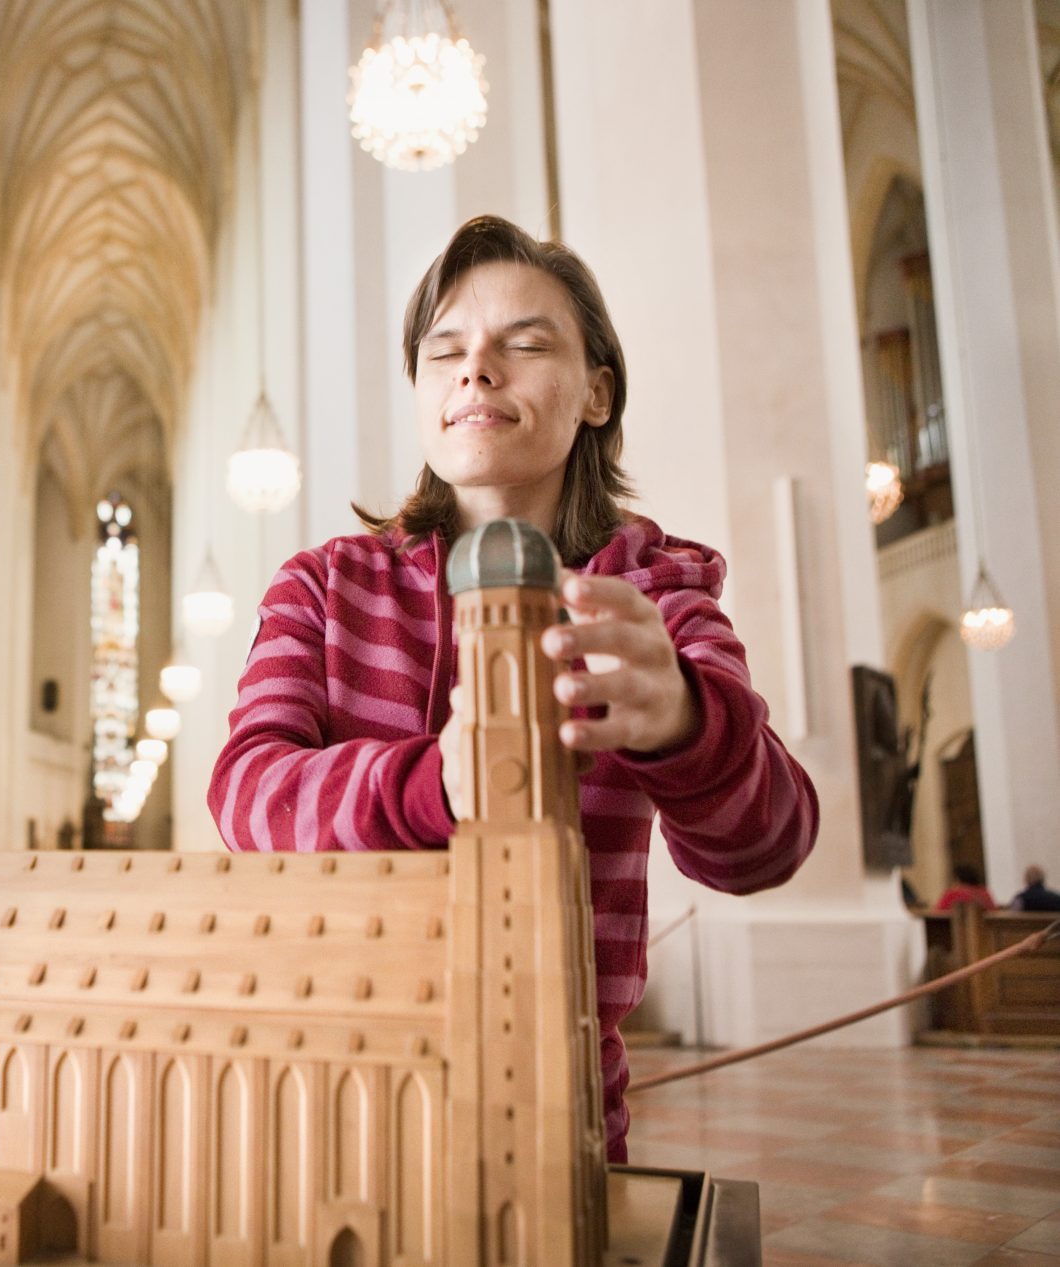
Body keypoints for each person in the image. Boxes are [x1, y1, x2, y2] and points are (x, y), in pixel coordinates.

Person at [207, 216, 819, 1163]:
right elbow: (247, 797)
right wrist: (434, 787)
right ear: (422, 392)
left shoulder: (656, 597)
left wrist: (687, 726)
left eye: (525, 345)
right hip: (333, 1093)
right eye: (445, 351)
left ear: (597, 392)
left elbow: (768, 847)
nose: (477, 371)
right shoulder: (323, 587)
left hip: (556, 1107)